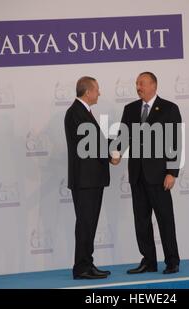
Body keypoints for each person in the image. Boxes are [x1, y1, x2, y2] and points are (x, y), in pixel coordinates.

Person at [119, 72, 182, 275]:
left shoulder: (169, 108)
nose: (138, 87)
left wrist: (172, 172)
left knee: (165, 219)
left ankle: (172, 261)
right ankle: (148, 261)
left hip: (159, 175)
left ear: (154, 85)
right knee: (142, 221)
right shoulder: (130, 109)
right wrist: (114, 153)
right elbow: (122, 137)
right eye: (137, 83)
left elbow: (176, 142)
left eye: (142, 83)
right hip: (137, 175)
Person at [64, 76, 119, 280]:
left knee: (89, 223)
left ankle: (87, 263)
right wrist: (112, 153)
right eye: (97, 89)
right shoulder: (75, 113)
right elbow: (90, 144)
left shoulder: (82, 112)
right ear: (88, 92)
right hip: (85, 181)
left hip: (91, 180)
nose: (99, 93)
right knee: (86, 224)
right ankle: (81, 268)